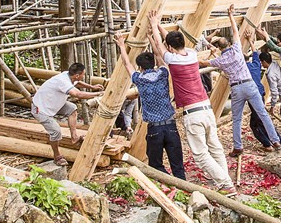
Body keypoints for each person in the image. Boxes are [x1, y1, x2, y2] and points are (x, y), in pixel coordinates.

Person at [149, 10, 236, 195]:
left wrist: (155, 25)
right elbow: (169, 42)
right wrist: (159, 26)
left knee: (200, 154)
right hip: (206, 107)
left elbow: (159, 44)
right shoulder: (190, 54)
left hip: (193, 112)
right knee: (215, 146)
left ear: (171, 48)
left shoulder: (172, 59)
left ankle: (226, 184)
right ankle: (225, 182)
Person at [206, 6, 281, 156]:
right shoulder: (236, 49)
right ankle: (275, 140)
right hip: (249, 84)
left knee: (237, 119)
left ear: (219, 48)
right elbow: (235, 31)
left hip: (236, 88)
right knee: (263, 114)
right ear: (228, 44)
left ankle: (238, 147)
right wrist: (231, 16)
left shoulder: (220, 60)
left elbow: (204, 63)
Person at [114, 32, 186, 179]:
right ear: (153, 64)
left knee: (155, 164)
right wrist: (151, 38)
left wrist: (121, 45)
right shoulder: (163, 73)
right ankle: (183, 187)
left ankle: (169, 182)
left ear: (140, 67)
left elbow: (127, 64)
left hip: (154, 129)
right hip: (171, 125)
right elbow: (160, 56)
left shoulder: (139, 78)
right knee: (177, 164)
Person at [31, 63, 103, 166]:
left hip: (53, 104)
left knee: (72, 109)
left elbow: (77, 83)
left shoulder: (68, 75)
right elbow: (78, 94)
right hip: (41, 109)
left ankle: (74, 137)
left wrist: (92, 87)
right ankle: (57, 157)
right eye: (83, 74)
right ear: (77, 75)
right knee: (56, 132)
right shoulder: (63, 81)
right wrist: (97, 94)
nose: (83, 76)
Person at [243, 31, 281, 150]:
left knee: (257, 123)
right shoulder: (256, 64)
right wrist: (250, 41)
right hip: (260, 95)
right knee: (262, 120)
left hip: (253, 96)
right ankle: (277, 142)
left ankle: (270, 144)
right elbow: (255, 52)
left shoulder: (243, 69)